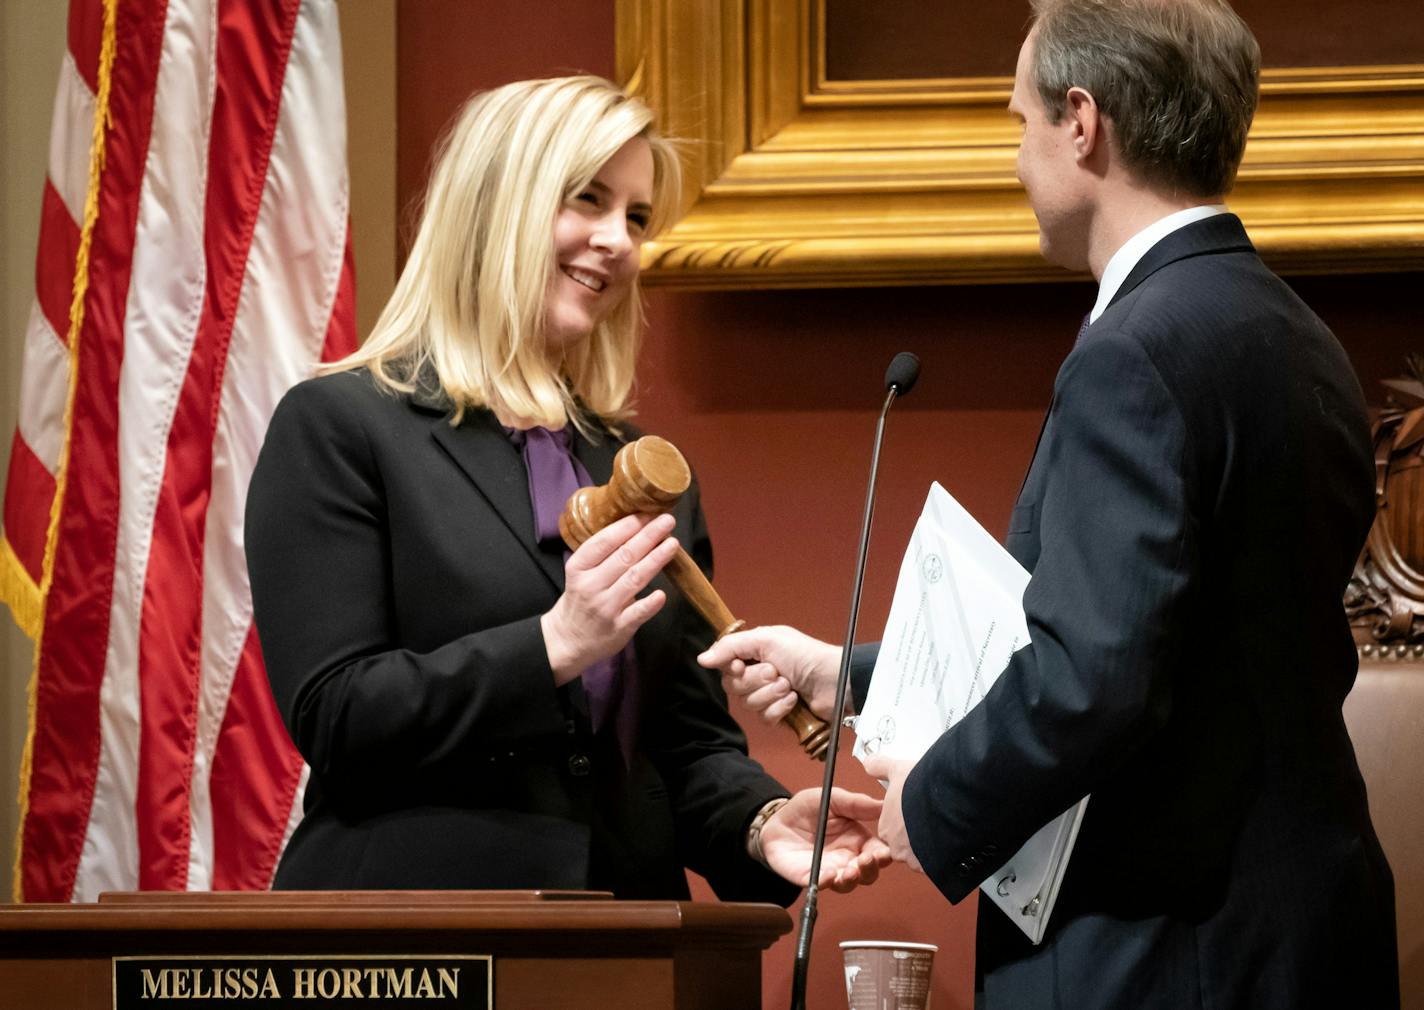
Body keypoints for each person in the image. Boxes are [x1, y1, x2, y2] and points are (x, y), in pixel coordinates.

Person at [700, 2, 1400, 1006]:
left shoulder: (1132, 351)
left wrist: (927, 801)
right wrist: (855, 674)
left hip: (1158, 947)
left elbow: (1093, 677)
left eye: (1016, 121)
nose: (1014, 157)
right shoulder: (1296, 333)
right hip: (1299, 931)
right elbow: (1175, 642)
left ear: (1081, 121)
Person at [245, 76, 890, 901]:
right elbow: (338, 715)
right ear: (495, 207)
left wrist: (762, 826)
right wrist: (553, 644)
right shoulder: (341, 427)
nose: (618, 240)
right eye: (586, 199)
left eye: (636, 217)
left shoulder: (639, 465)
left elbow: (686, 744)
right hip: (416, 935)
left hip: (625, 946)